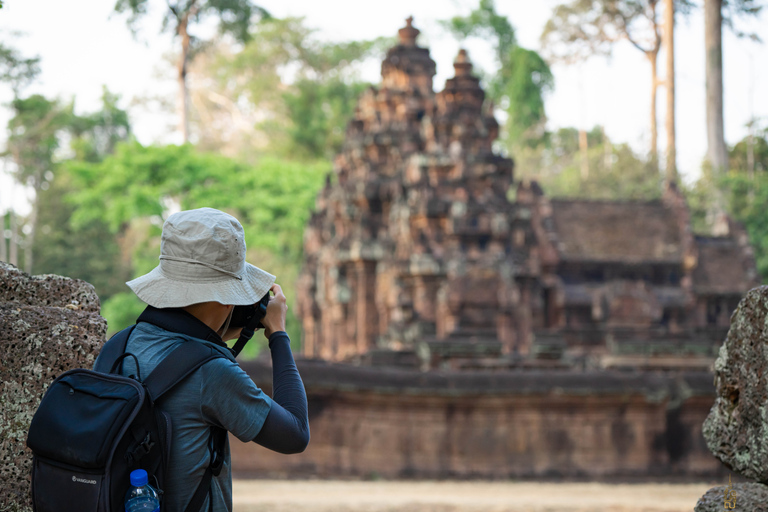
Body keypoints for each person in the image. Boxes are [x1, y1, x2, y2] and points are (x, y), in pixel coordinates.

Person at [94, 207, 309, 512]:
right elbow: (295, 434)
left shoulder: (119, 345)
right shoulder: (212, 373)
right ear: (226, 298)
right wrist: (278, 334)